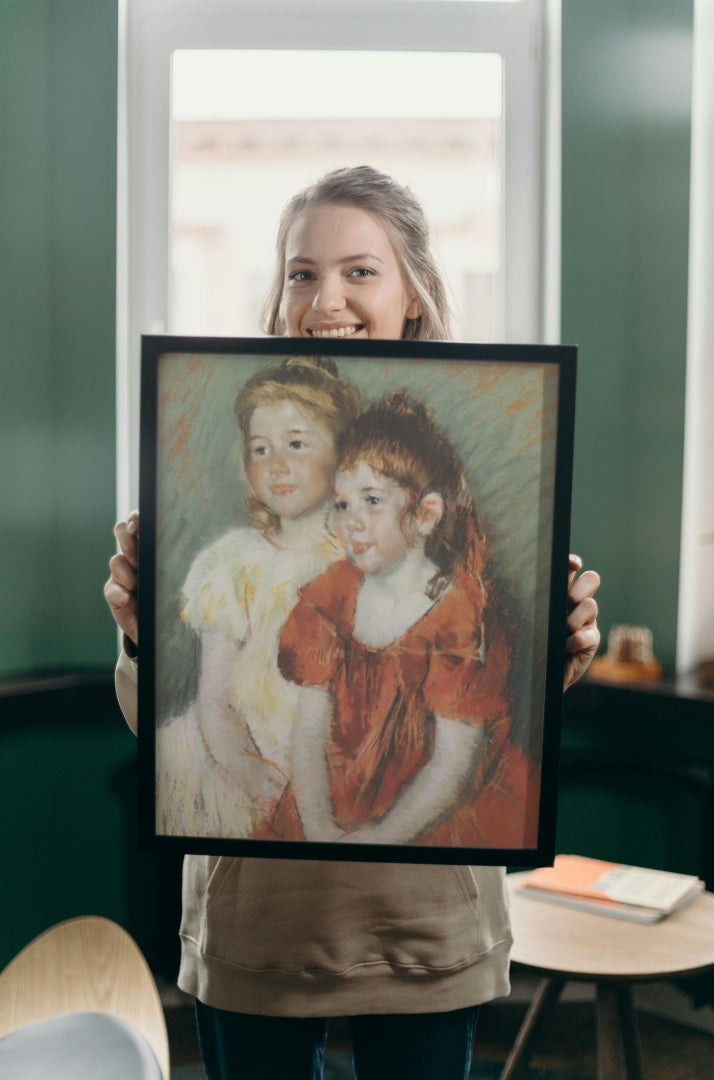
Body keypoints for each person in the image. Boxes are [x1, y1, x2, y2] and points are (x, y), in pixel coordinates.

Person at [105, 165, 601, 1080]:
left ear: (413, 291)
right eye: (301, 272)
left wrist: (561, 654)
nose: (324, 296)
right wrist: (138, 634)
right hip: (260, 918)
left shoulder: (447, 503)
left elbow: (488, 708)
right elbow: (177, 726)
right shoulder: (238, 540)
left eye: (359, 271)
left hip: (421, 917)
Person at [271, 390, 538, 851]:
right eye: (342, 503)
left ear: (425, 514)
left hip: (424, 816)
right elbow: (309, 729)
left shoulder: (459, 617)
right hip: (335, 804)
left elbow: (451, 766)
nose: (351, 521)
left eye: (372, 501)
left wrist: (380, 839)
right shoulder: (330, 599)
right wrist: (317, 827)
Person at [155, 355, 360, 839]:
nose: (277, 466)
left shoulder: (365, 557)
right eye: (260, 449)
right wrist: (248, 771)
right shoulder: (233, 564)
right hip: (238, 759)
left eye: (296, 444)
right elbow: (215, 703)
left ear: (343, 453)